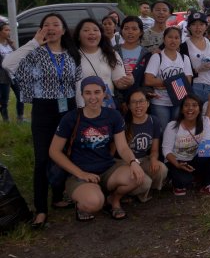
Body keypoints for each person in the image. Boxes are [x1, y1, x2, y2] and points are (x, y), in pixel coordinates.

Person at [2, 13, 82, 226]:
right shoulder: (34, 52)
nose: (51, 28)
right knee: (42, 158)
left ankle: (57, 197)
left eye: (56, 24)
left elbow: (79, 83)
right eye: (46, 25)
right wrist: (34, 42)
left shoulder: (73, 53)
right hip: (44, 108)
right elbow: (8, 64)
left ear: (64, 30)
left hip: (68, 108)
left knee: (65, 153)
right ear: (41, 30)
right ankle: (40, 209)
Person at [50, 76, 145, 221]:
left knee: (137, 177)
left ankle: (113, 200)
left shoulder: (113, 115)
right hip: (79, 173)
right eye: (88, 93)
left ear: (104, 93)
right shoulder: (71, 118)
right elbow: (54, 151)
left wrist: (133, 162)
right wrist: (80, 173)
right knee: (94, 203)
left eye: (97, 92)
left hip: (107, 168)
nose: (93, 97)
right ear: (82, 95)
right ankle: (83, 203)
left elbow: (123, 147)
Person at [162, 94, 210, 196]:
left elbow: (206, 143)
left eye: (194, 105)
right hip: (177, 161)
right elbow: (166, 150)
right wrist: (177, 164)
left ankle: (206, 185)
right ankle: (178, 181)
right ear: (181, 110)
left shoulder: (205, 121)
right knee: (184, 182)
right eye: (186, 105)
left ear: (199, 109)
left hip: (193, 159)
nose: (190, 108)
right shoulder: (172, 126)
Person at [122, 88, 168, 203]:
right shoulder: (123, 123)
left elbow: (155, 149)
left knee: (162, 169)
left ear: (147, 103)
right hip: (127, 162)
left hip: (144, 159)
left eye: (141, 101)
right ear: (128, 106)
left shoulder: (154, 121)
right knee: (144, 182)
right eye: (134, 102)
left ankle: (144, 191)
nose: (138, 105)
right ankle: (129, 192)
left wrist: (153, 159)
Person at [74, 18, 129, 108]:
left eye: (96, 30)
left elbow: (119, 83)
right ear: (78, 36)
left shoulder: (110, 54)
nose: (92, 33)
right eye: (86, 30)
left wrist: (128, 81)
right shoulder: (71, 56)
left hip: (106, 105)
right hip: (81, 106)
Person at [144, 27, 194, 124]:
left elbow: (187, 82)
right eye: (170, 37)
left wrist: (163, 83)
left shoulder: (185, 58)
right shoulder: (157, 57)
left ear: (180, 40)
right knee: (162, 131)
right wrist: (175, 83)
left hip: (179, 102)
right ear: (164, 39)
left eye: (176, 38)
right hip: (160, 102)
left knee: (176, 131)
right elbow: (148, 80)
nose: (173, 40)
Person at [180, 11, 210, 104]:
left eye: (201, 24)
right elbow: (182, 72)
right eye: (194, 24)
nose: (198, 28)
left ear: (206, 27)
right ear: (188, 27)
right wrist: (198, 69)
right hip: (194, 86)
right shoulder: (184, 46)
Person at [0, 21, 24, 123]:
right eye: (6, 30)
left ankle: (20, 118)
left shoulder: (9, 44)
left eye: (9, 30)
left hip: (14, 75)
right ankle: (6, 120)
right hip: (3, 77)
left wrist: (14, 47)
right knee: (4, 101)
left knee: (21, 96)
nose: (9, 32)